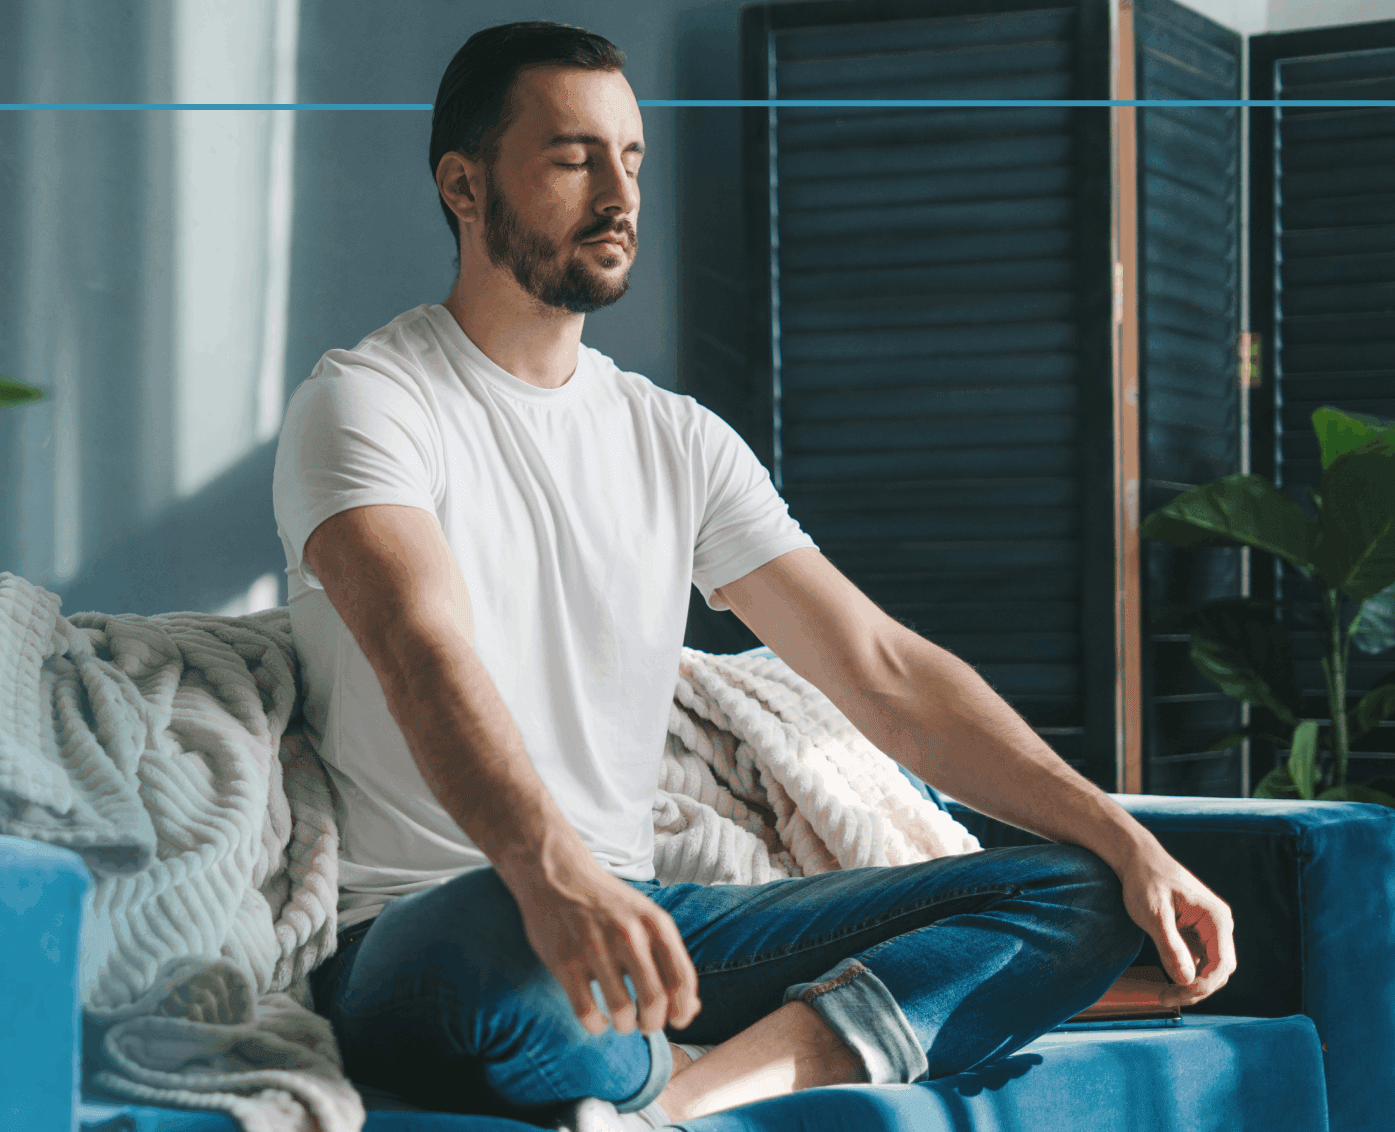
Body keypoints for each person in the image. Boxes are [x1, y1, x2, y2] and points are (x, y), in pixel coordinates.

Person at [271, 20, 1236, 1131]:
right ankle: (712, 1045)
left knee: (1076, 891)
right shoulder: (368, 403)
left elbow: (881, 670)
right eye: (572, 156)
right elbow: (420, 649)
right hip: (437, 927)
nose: (619, 193)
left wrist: (1126, 839)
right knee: (497, 945)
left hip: (648, 921)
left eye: (631, 159)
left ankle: (685, 1091)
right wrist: (550, 872)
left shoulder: (677, 439)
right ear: (464, 186)